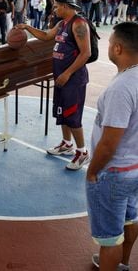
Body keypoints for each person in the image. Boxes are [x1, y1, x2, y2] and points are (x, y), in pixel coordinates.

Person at [16, 0, 91, 170]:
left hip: (73, 80)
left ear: (66, 6)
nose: (54, 8)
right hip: (61, 78)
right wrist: (27, 27)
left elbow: (86, 53)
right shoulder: (61, 24)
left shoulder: (79, 24)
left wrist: (67, 73)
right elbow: (45, 36)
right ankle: (67, 144)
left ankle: (83, 152)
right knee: (63, 114)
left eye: (57, 6)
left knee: (72, 117)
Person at [87, 22, 138, 271]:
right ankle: (124, 264)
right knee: (131, 218)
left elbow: (109, 142)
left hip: (115, 171)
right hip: (134, 167)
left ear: (117, 48)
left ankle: (112, 262)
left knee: (109, 237)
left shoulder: (122, 87)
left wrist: (93, 171)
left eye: (109, 43)